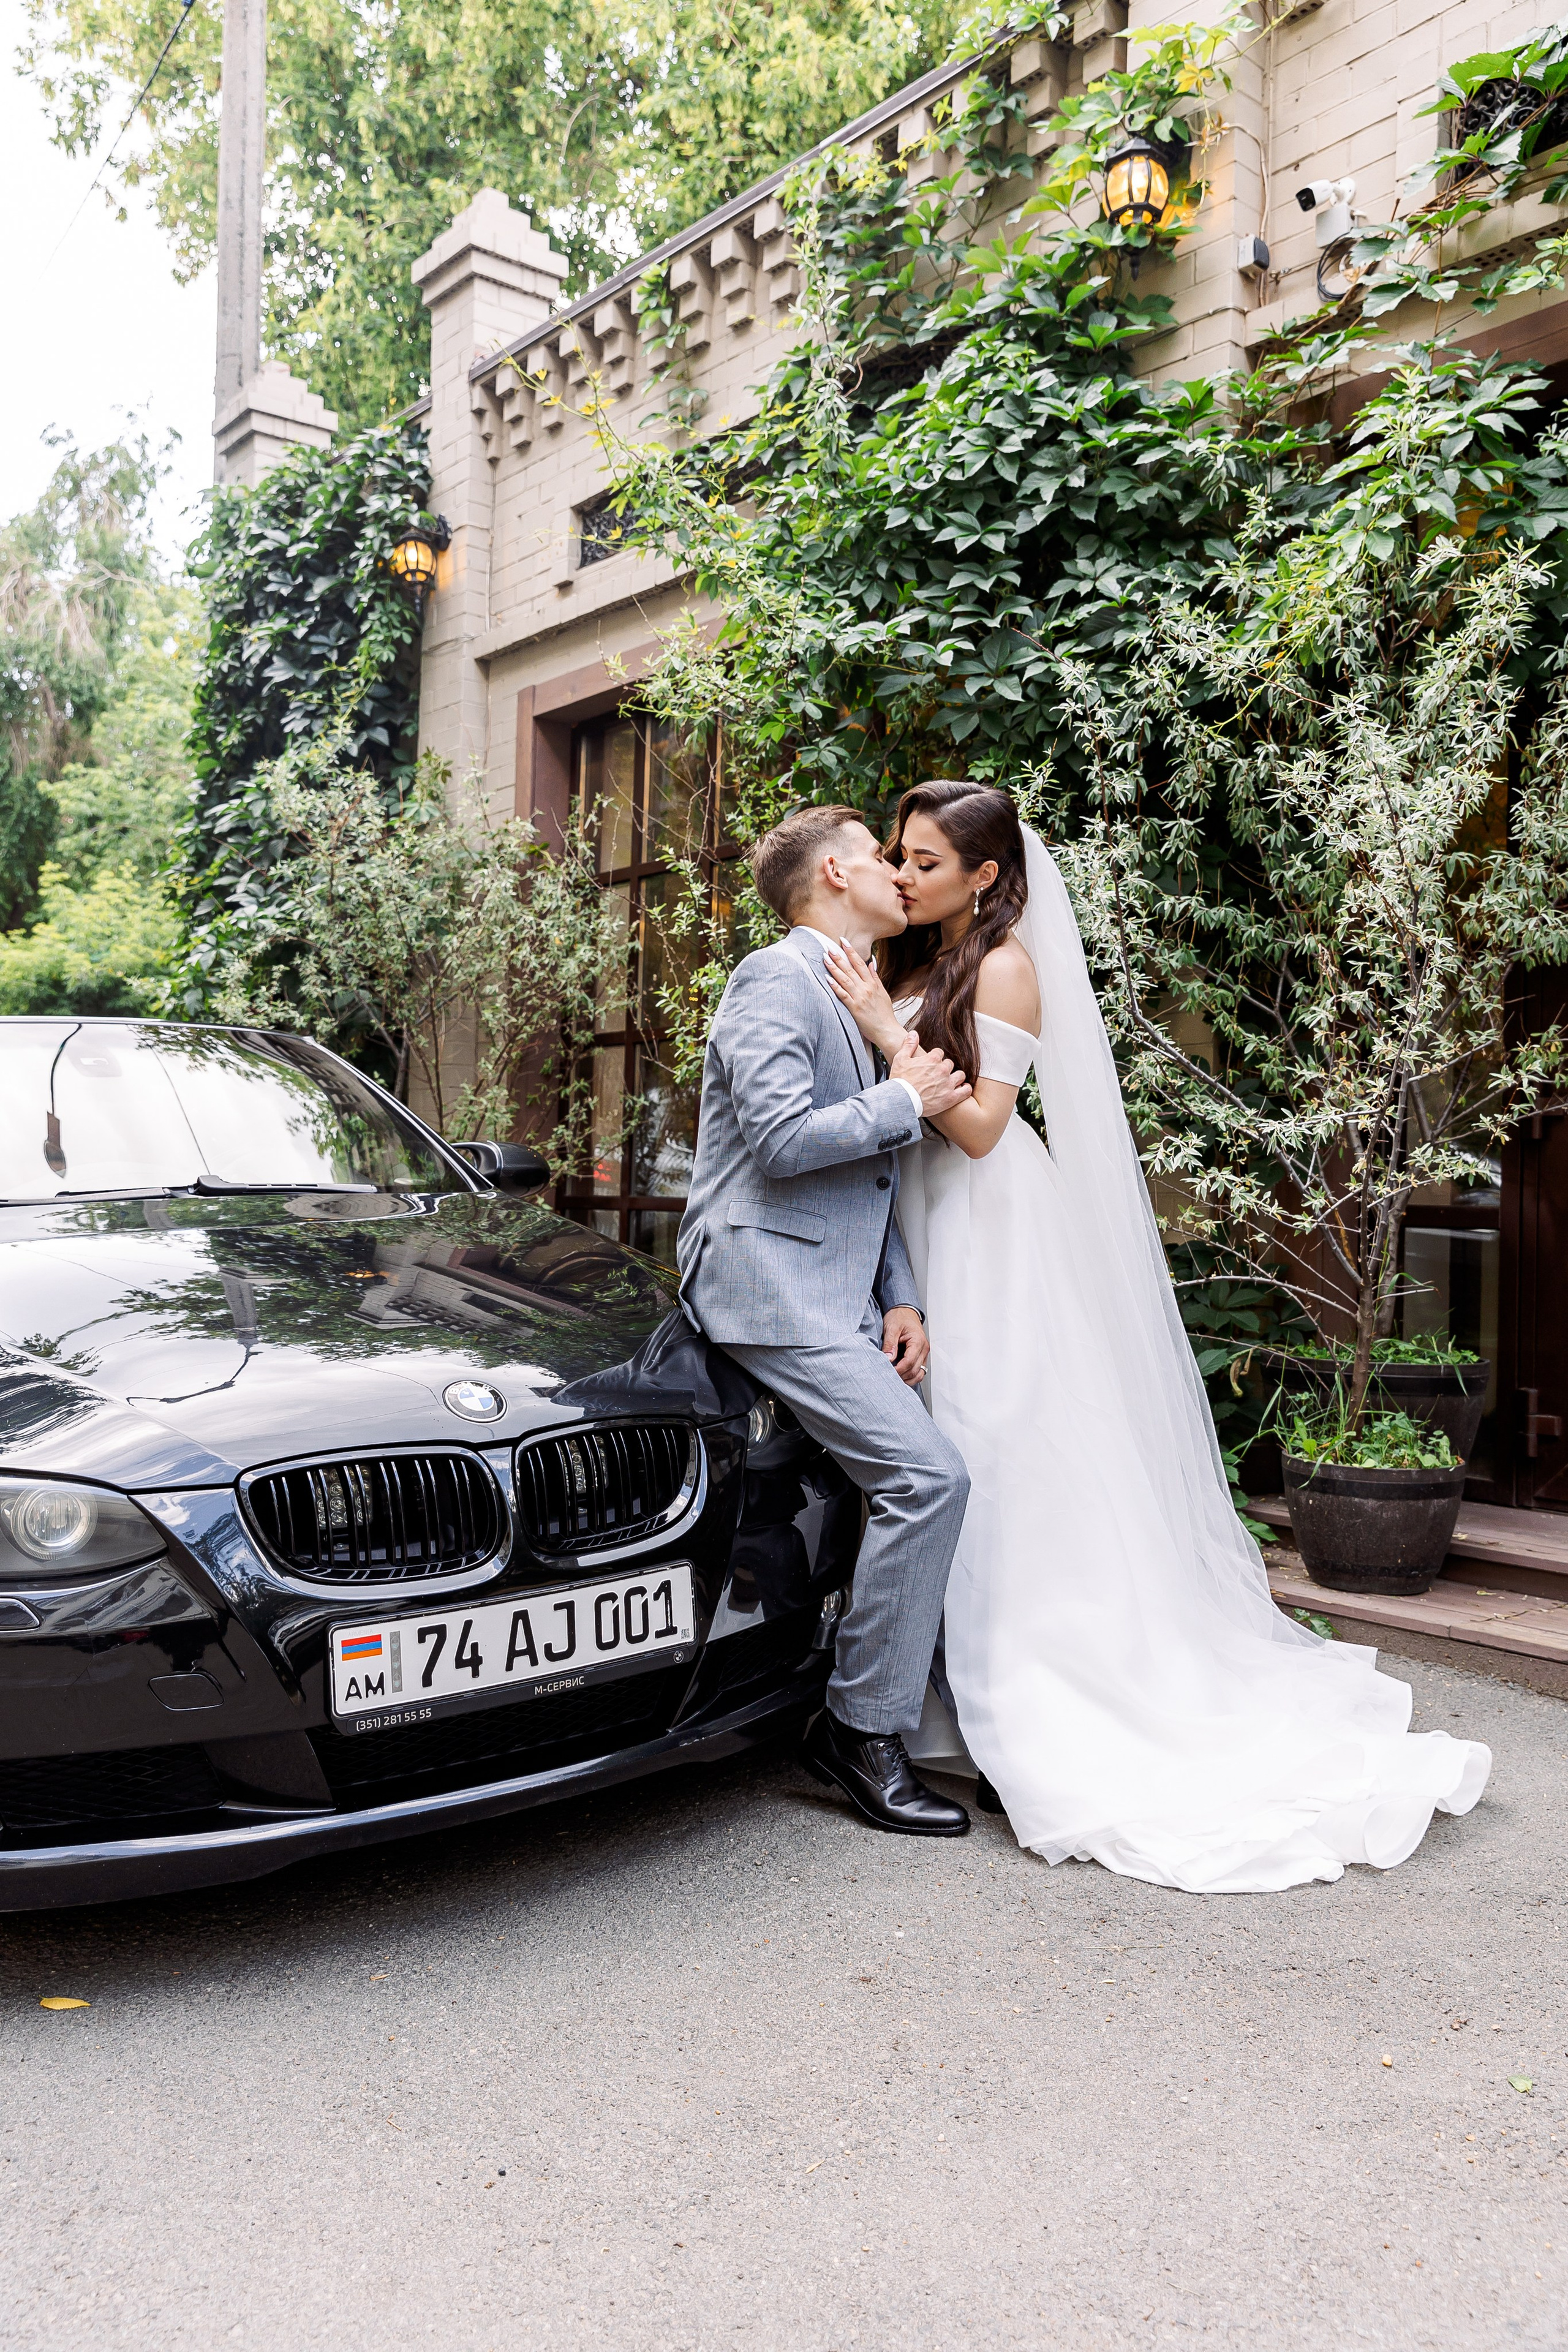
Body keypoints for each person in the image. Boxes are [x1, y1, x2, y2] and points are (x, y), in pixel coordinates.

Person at [820, 779, 1492, 1893]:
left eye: (926, 861)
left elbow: (985, 1130)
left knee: (1003, 1446)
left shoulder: (1005, 967)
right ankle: (921, 1697)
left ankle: (1035, 1687)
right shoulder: (912, 956)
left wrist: (889, 1033)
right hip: (920, 1226)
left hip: (991, 1230)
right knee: (939, 1447)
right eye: (898, 854)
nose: (903, 873)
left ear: (986, 877)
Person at [676, 803, 978, 1836]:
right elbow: (776, 1140)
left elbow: (872, 1176)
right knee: (927, 1477)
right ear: (836, 873)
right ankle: (862, 1731)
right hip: (765, 1282)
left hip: (836, 1293)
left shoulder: (858, 991)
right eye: (882, 855)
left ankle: (848, 1702)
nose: (901, 872)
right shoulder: (774, 977)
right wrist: (903, 1095)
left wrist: (898, 1293)